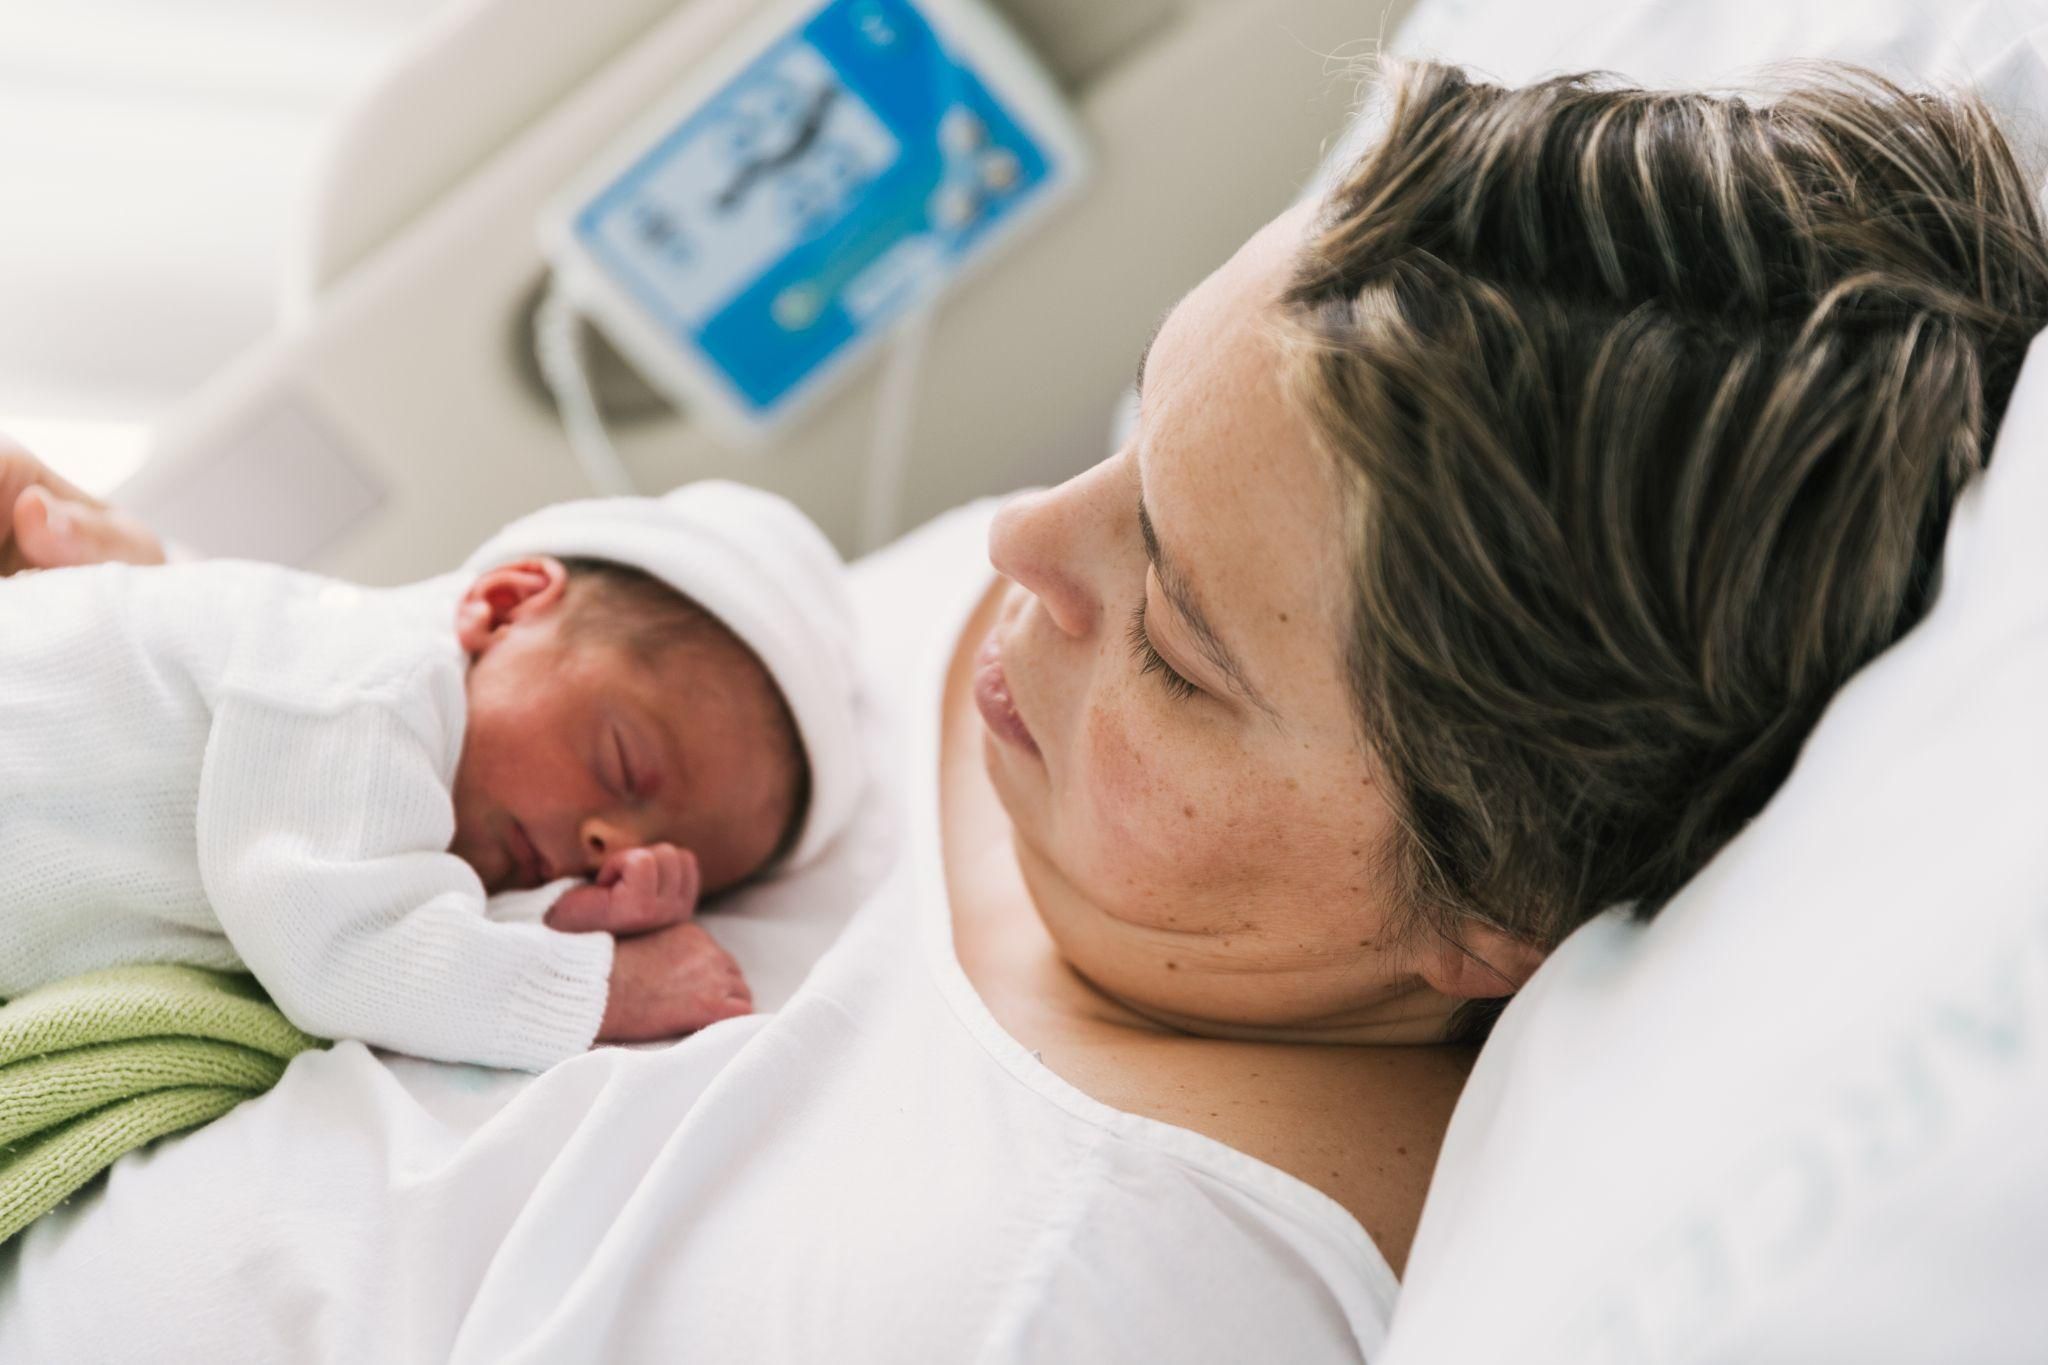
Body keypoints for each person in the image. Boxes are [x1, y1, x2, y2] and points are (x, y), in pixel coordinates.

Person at [1, 58, 2042, 1362]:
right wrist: (173, 697)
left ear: (1485, 909)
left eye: (1175, 641)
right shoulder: (1097, 757)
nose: (1021, 538)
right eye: (1136, 437)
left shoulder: (1062, 1297)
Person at [0, 481, 863, 1071]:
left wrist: (562, 914)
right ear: (506, 604)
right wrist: (607, 985)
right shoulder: (368, 681)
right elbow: (334, 945)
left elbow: (404, 892)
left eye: (653, 854)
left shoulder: (412, 787)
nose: (610, 842)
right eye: (623, 762)